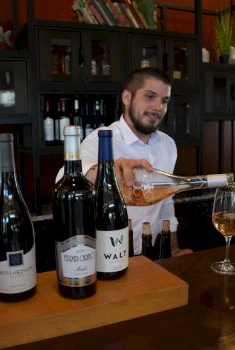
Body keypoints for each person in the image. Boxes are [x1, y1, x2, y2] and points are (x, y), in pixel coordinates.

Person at [56, 67, 192, 257]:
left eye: (164, 101)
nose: (158, 107)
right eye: (150, 96)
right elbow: (63, 178)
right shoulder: (101, 139)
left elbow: (166, 204)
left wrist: (174, 249)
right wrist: (107, 170)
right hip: (106, 257)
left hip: (149, 256)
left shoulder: (168, 146)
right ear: (127, 98)